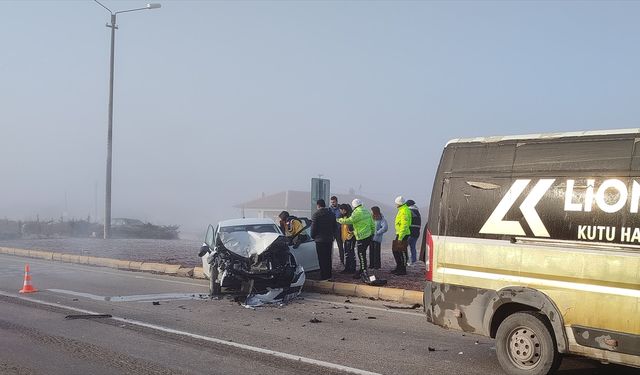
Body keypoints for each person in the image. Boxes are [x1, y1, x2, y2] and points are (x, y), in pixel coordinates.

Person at [337, 199, 375, 281]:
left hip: (361, 236)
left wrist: (339, 220)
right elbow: (372, 223)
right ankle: (362, 270)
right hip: (368, 236)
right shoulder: (366, 211)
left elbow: (350, 220)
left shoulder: (356, 212)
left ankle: (364, 271)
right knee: (362, 254)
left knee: (361, 255)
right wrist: (372, 233)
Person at [310, 199, 337, 281]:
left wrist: (313, 236)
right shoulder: (331, 214)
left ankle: (323, 275)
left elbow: (313, 228)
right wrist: (333, 236)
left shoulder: (316, 215)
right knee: (328, 257)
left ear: (318, 205)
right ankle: (329, 274)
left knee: (321, 258)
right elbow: (335, 227)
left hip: (319, 240)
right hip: (329, 239)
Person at [393, 196, 411, 275]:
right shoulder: (402, 210)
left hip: (403, 234)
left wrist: (400, 237)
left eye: (396, 203)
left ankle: (403, 270)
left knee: (402, 252)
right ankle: (399, 267)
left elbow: (404, 225)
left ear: (399, 203)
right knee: (395, 251)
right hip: (400, 233)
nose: (395, 205)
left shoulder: (404, 211)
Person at [338, 203, 356, 273]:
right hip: (345, 238)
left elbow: (352, 228)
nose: (340, 212)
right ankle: (347, 268)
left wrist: (350, 234)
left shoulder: (350, 217)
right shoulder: (343, 217)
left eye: (341, 210)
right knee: (347, 254)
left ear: (344, 210)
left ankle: (352, 269)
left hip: (350, 238)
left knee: (351, 253)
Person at [329, 196, 344, 265]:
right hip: (331, 230)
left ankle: (342, 260)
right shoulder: (329, 209)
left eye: (334, 202)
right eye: (331, 202)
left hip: (339, 230)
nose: (332, 203)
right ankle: (329, 260)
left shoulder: (341, 209)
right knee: (329, 246)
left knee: (340, 246)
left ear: (337, 202)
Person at [406, 199, 421, 264]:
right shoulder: (417, 212)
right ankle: (414, 261)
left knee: (404, 247)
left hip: (409, 232)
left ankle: (406, 261)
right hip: (416, 233)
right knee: (413, 247)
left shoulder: (408, 211)